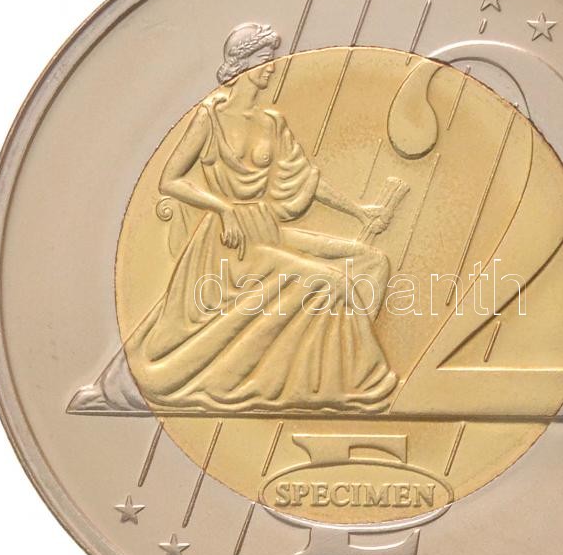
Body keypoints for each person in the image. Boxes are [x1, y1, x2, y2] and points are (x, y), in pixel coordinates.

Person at [123, 23, 398, 412]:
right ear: (243, 64)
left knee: (370, 261)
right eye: (264, 60)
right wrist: (223, 208)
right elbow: (170, 179)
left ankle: (321, 365)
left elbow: (305, 179)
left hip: (266, 230)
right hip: (227, 247)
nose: (271, 67)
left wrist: (358, 211)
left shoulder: (271, 122)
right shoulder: (211, 118)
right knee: (330, 281)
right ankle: (343, 382)